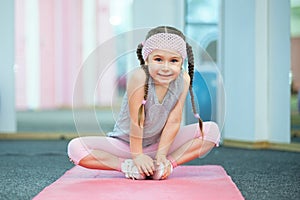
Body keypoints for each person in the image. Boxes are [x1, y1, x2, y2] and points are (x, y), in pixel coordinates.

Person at [68, 26, 220, 180]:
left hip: (160, 144)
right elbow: (137, 121)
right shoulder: (140, 77)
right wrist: (137, 156)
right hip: (127, 145)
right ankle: (128, 166)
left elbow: (174, 120)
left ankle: (163, 166)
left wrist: (161, 155)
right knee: (75, 148)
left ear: (181, 62)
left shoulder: (184, 79)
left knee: (211, 131)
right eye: (158, 59)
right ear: (147, 59)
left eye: (173, 61)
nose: (165, 67)